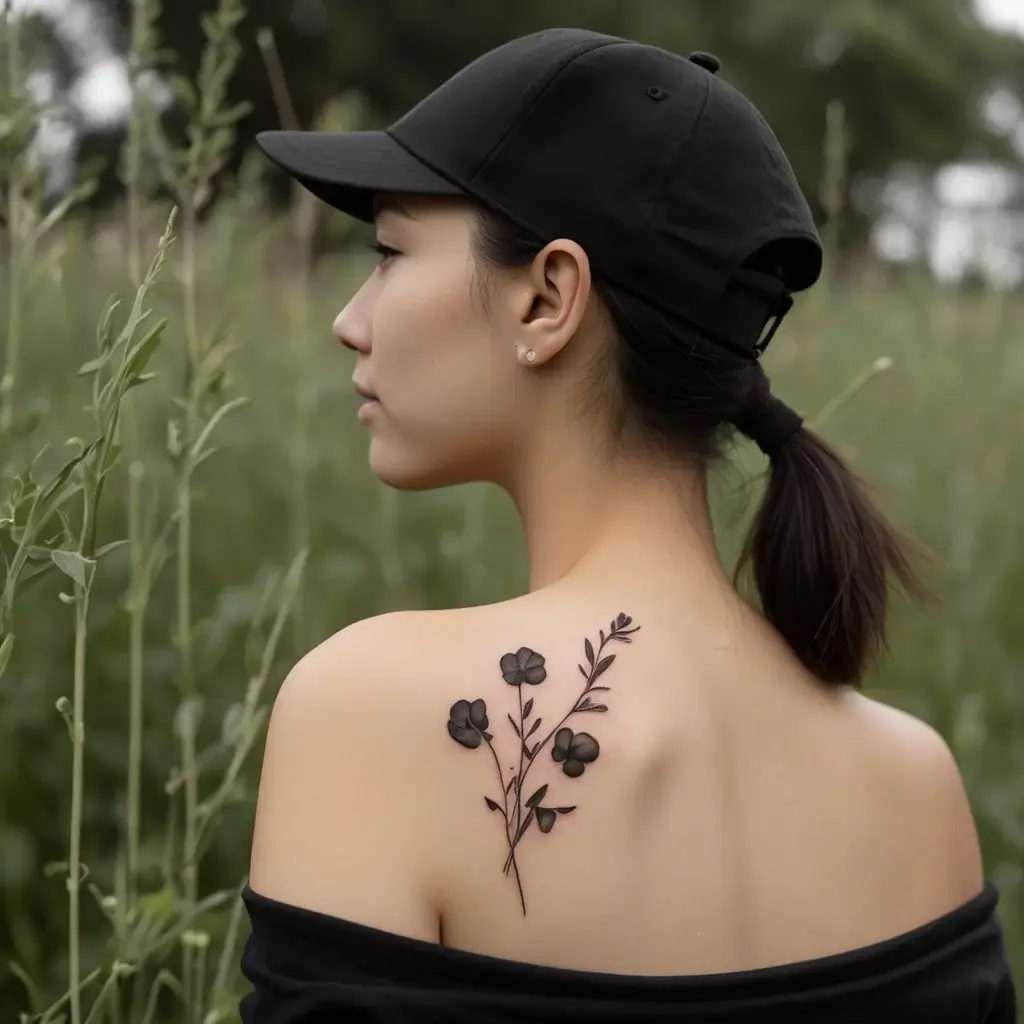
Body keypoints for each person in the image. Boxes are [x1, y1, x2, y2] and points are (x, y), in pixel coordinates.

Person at [240, 27, 1017, 1023]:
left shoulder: (364, 712)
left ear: (549, 296)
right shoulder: (918, 788)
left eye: (389, 251)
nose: (351, 316)